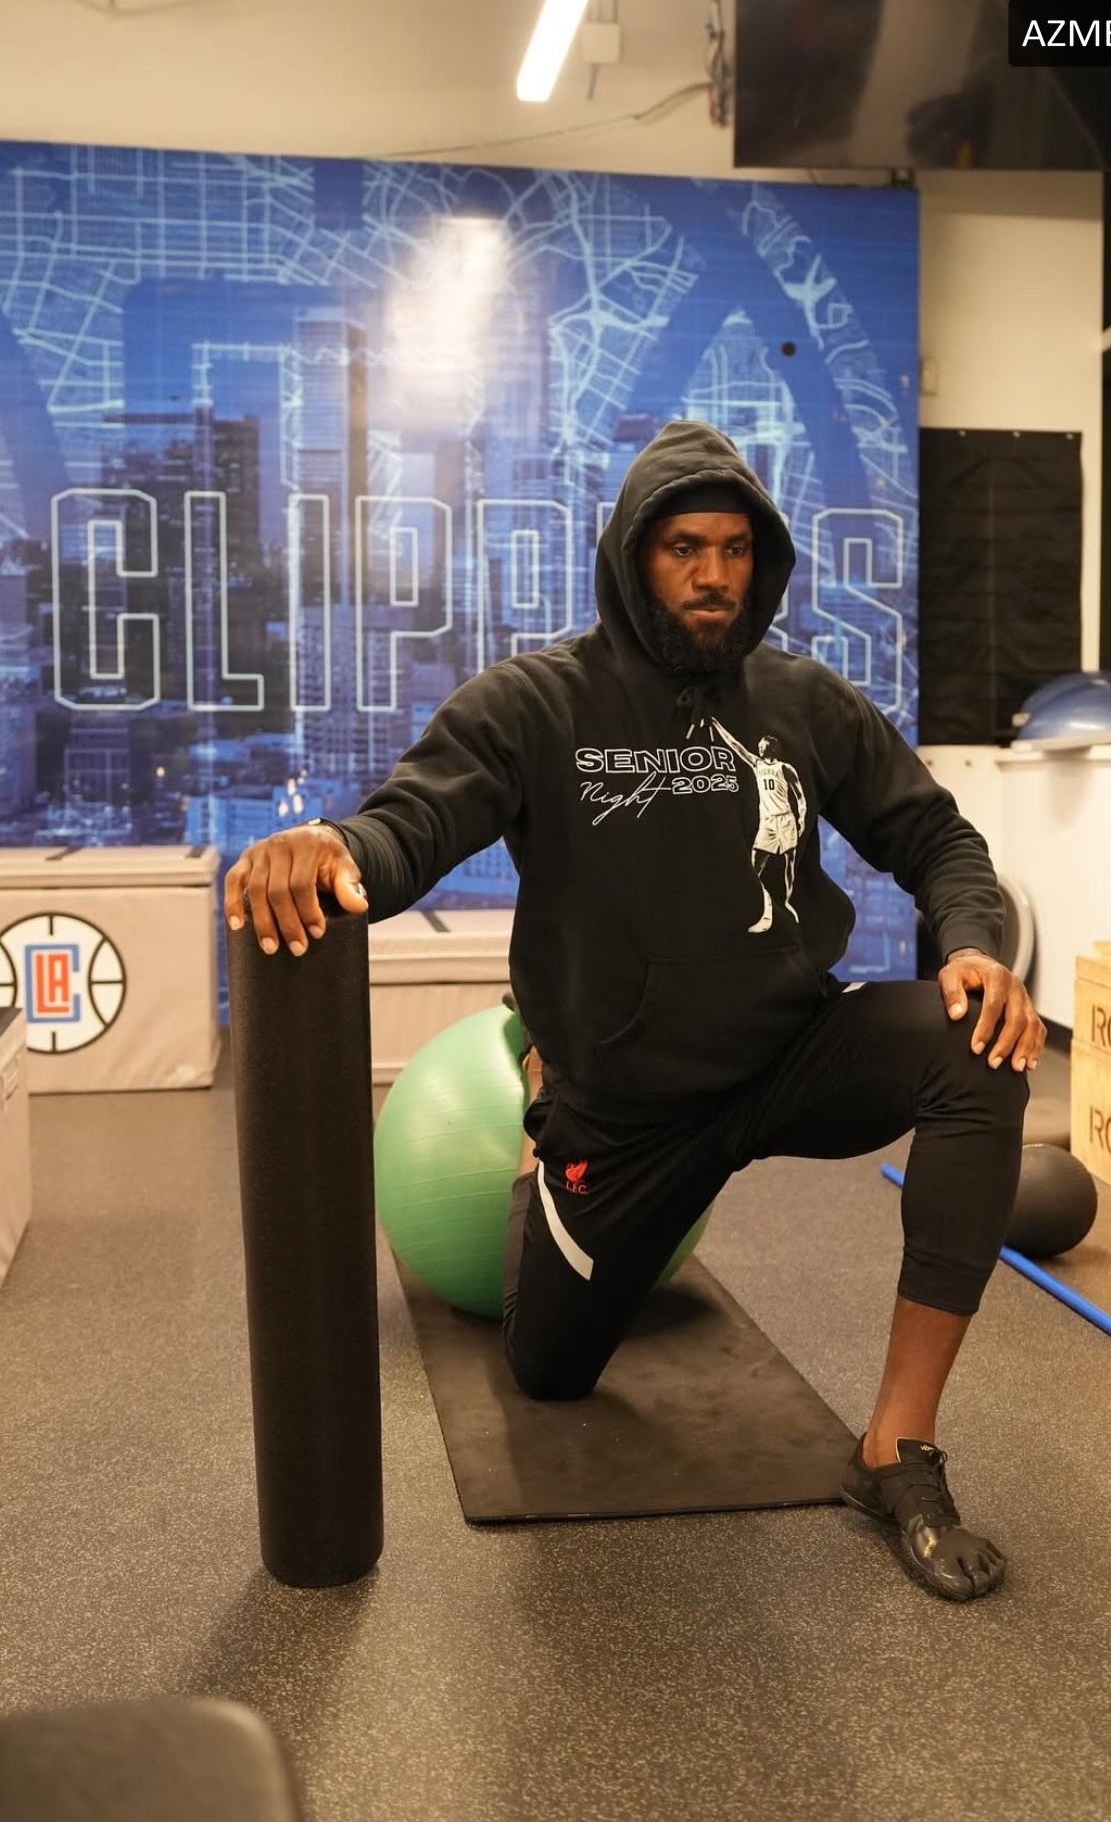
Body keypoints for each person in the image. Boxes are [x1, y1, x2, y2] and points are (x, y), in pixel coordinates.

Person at [225, 419, 1045, 1603]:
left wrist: (973, 946)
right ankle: (542, 1143)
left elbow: (937, 836)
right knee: (549, 1371)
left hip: (788, 1049)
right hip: (627, 1111)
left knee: (979, 1050)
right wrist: (333, 845)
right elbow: (415, 820)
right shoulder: (537, 703)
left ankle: (894, 1447)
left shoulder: (804, 701)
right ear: (630, 557)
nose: (714, 575)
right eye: (682, 548)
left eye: (734, 549)